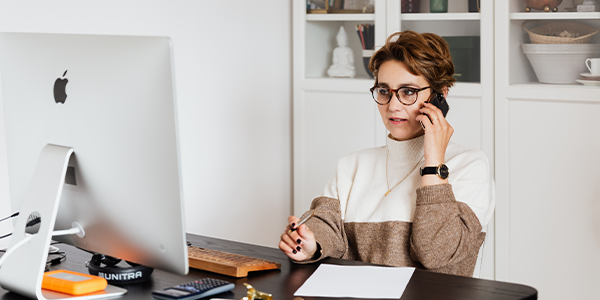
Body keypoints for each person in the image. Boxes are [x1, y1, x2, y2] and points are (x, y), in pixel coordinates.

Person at [279, 31, 495, 277]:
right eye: (384, 91)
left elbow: (437, 254)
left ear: (440, 96)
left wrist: (434, 161)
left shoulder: (470, 164)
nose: (393, 106)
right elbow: (327, 224)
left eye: (408, 92)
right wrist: (311, 244)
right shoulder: (353, 164)